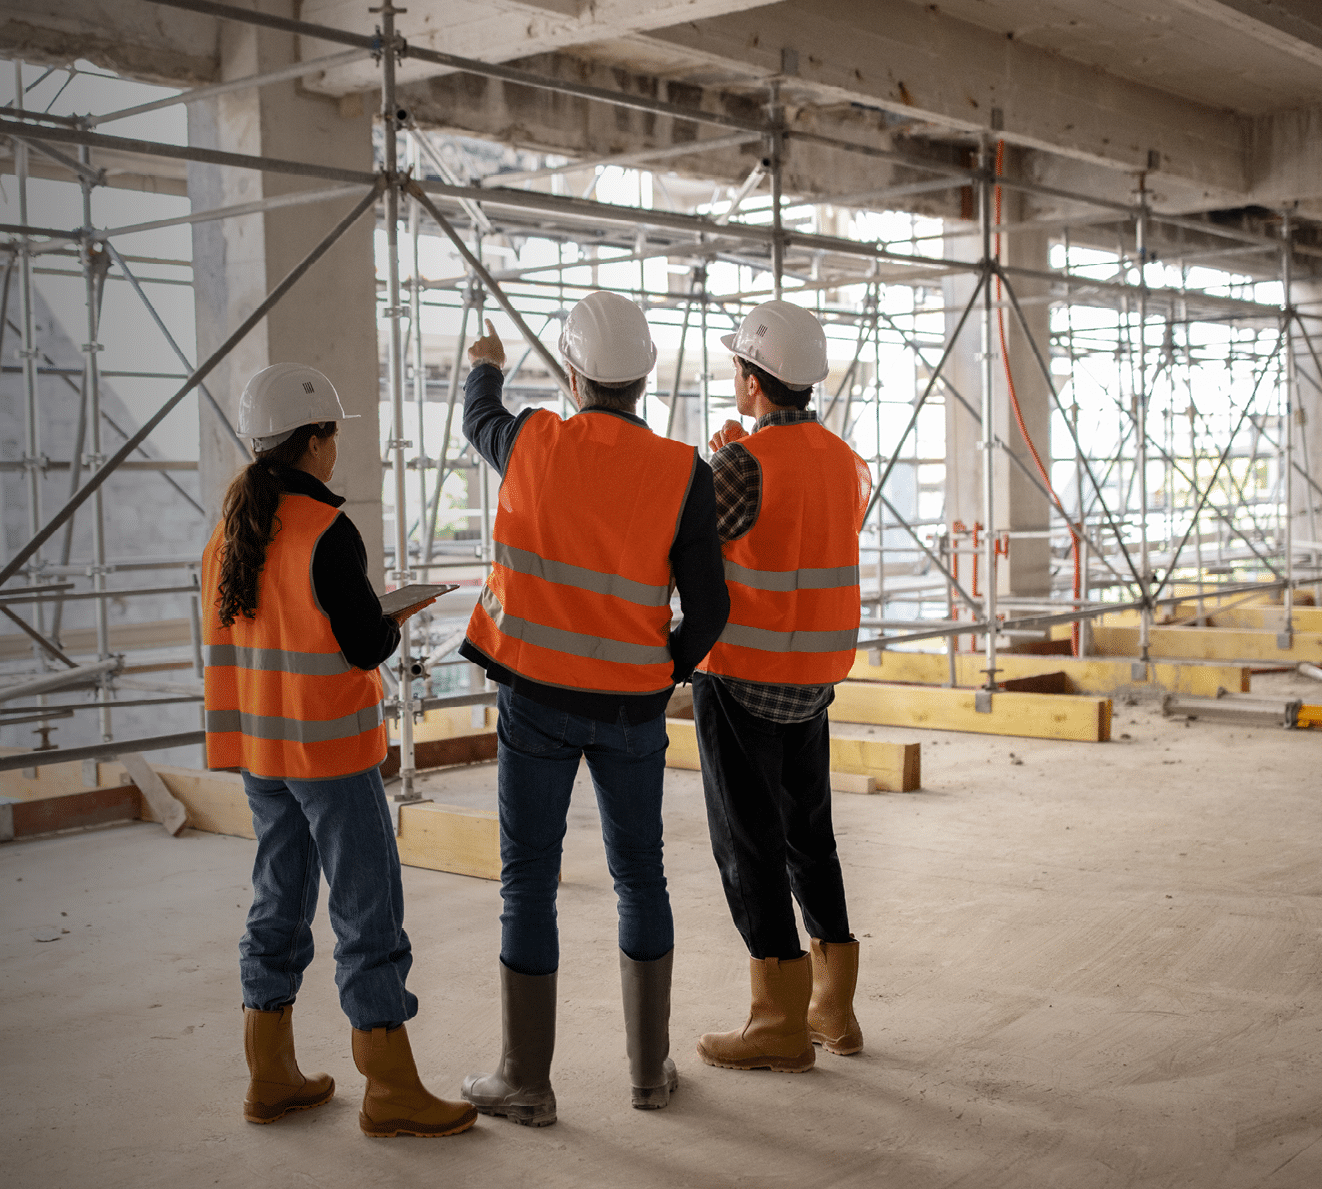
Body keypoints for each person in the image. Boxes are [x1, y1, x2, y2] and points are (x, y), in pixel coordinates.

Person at [457, 295, 730, 1125]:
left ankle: (526, 1083)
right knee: (639, 877)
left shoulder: (532, 440)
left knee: (528, 883)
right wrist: (661, 668)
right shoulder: (685, 471)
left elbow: (478, 415)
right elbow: (711, 611)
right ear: (645, 379)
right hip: (631, 711)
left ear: (574, 376)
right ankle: (649, 1075)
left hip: (535, 700)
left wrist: (486, 358)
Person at [201, 362, 477, 1139]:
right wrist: (395, 616)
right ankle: (390, 1086)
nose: (335, 448)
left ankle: (271, 1072)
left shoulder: (229, 533)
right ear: (312, 441)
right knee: (368, 914)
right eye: (332, 434)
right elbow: (363, 642)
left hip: (262, 752)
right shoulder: (327, 530)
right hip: (328, 751)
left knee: (276, 902)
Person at [691, 300, 870, 1074]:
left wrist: (717, 460)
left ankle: (777, 1021)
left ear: (755, 381)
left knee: (749, 845)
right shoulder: (841, 457)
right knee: (810, 838)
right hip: (812, 678)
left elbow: (694, 538)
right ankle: (835, 1008)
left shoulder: (740, 463)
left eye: (737, 366)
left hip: (741, 679)